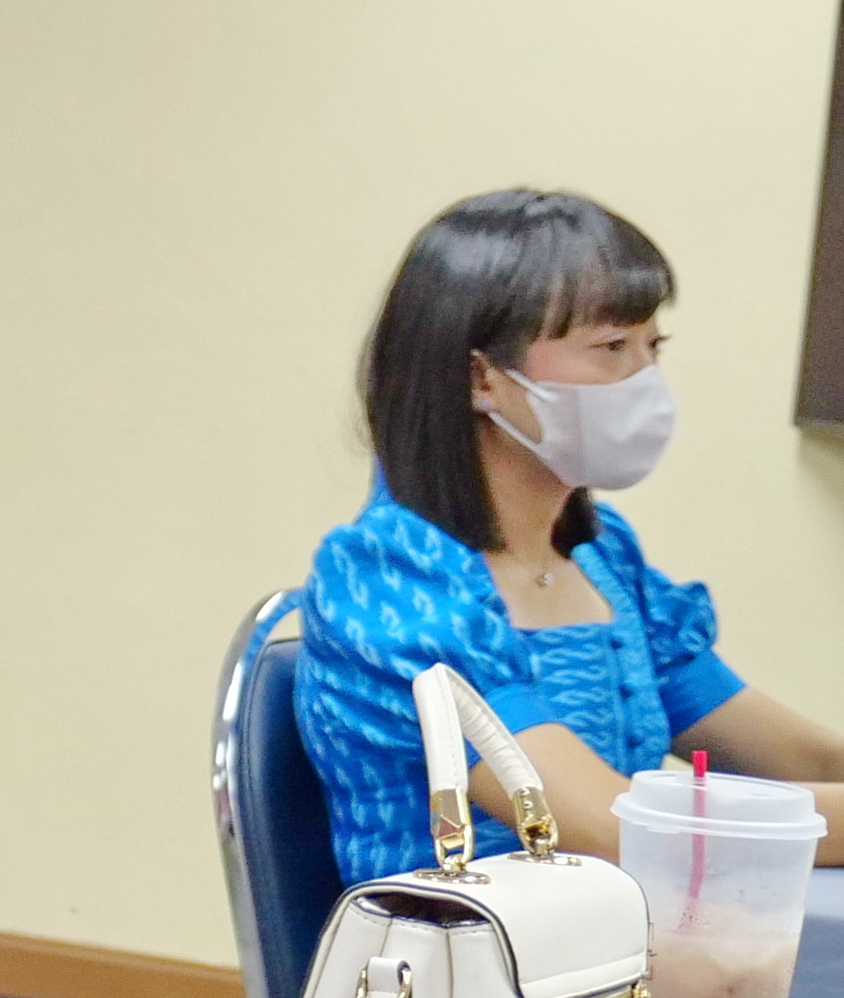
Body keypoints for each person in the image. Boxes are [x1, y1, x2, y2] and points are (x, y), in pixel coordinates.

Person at [300, 189, 844, 881]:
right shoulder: (390, 579)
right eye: (612, 347)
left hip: (629, 936)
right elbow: (612, 830)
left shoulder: (601, 556)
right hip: (474, 947)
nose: (645, 380)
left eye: (653, 347)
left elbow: (804, 759)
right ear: (480, 377)